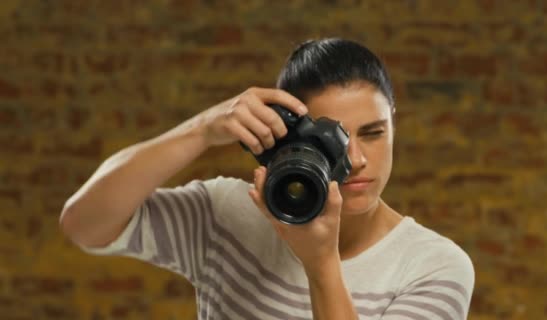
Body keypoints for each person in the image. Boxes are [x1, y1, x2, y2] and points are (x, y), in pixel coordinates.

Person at [60, 38, 475, 320]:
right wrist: (201, 130)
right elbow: (83, 224)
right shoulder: (229, 213)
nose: (356, 161)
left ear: (393, 126)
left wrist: (321, 263)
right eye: (331, 141)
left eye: (373, 133)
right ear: (286, 137)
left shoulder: (432, 266)